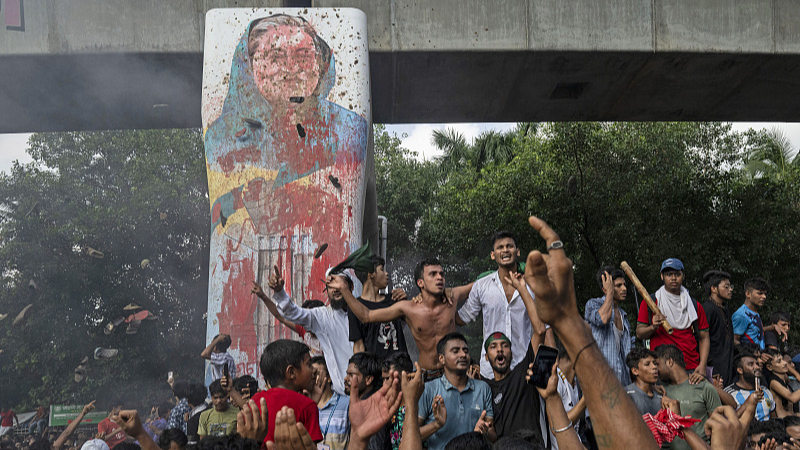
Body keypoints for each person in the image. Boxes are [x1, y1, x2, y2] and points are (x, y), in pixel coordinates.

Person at [330, 258, 473, 379]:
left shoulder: (452, 297)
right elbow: (366, 316)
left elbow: (480, 285)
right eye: (433, 274)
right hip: (424, 376)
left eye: (442, 274)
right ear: (420, 282)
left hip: (452, 375)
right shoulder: (408, 308)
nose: (439, 278)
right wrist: (344, 289)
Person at [457, 231, 547, 379]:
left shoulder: (533, 287)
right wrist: (437, 298)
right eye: (500, 247)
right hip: (490, 371)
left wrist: (543, 373)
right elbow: (461, 319)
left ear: (517, 252)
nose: (505, 250)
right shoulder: (481, 286)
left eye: (509, 246)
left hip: (524, 368)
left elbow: (546, 330)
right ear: (493, 255)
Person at [255, 266, 353, 395]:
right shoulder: (323, 316)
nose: (334, 290)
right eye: (330, 286)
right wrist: (280, 292)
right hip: (338, 394)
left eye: (338, 283)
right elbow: (291, 313)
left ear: (350, 286)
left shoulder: (363, 312)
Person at [483, 270, 548, 444]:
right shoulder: (482, 388)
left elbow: (540, 330)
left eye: (505, 346)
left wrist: (522, 289)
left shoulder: (523, 373)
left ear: (511, 354)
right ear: (486, 357)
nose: (500, 350)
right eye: (494, 347)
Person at [636, 258, 711, 385]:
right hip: (661, 368)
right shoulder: (650, 302)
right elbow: (639, 333)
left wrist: (702, 365)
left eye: (677, 274)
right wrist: (653, 327)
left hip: (690, 367)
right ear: (662, 276)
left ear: (683, 276)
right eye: (669, 274)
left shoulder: (694, 305)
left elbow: (704, 337)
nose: (673, 278)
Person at [417, 333, 495, 450]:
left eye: (465, 351)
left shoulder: (483, 389)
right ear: (441, 358)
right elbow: (412, 435)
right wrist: (436, 425)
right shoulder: (428, 390)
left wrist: (485, 431)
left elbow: (493, 437)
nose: (463, 355)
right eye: (455, 351)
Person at [250, 339, 322, 444]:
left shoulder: (255, 401)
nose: (314, 370)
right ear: (291, 372)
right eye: (309, 364)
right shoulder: (307, 406)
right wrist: (311, 406)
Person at [654, 344, 722, 449]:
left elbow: (719, 427)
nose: (655, 369)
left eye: (657, 364)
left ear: (670, 362)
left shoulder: (703, 387)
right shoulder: (660, 392)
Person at [349, 255, 409, 358]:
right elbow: (358, 346)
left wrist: (408, 301)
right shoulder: (356, 307)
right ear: (371, 274)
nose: (386, 274)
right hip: (376, 371)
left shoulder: (394, 299)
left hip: (400, 369)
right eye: (381, 269)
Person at [584, 266, 631, 385]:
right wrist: (609, 292)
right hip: (599, 380)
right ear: (605, 288)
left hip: (622, 382)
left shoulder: (624, 317)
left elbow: (627, 354)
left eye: (624, 284)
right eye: (618, 285)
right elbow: (602, 319)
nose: (624, 288)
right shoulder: (593, 304)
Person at [701, 270, 735, 387]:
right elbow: (701, 339)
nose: (730, 289)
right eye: (726, 286)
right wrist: (710, 367)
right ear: (714, 289)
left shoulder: (725, 310)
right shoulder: (707, 309)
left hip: (727, 366)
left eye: (730, 286)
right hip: (714, 370)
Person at [310, 356, 349, 450]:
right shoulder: (308, 406)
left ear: (329, 377)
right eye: (311, 374)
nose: (313, 378)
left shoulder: (346, 403)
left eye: (317, 373)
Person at [733, 278, 783, 348]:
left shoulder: (754, 313)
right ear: (748, 294)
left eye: (765, 294)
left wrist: (773, 327)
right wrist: (752, 353)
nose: (764, 297)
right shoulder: (742, 315)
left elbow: (755, 330)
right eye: (760, 293)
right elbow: (734, 341)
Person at [624, 347, 664, 416]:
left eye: (655, 363)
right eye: (647, 364)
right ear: (635, 371)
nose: (654, 367)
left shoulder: (661, 396)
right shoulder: (626, 395)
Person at [764, 348, 800, 418]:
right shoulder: (774, 382)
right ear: (769, 367)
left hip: (792, 417)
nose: (785, 363)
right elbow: (792, 397)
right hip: (783, 422)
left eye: (783, 359)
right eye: (779, 361)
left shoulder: (785, 378)